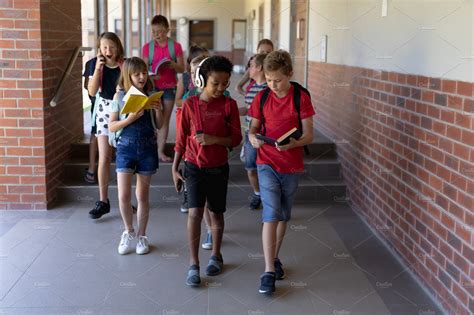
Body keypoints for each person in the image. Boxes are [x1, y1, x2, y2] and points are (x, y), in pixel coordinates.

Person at [248, 50, 315, 295]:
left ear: (290, 74)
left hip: (291, 164)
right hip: (266, 162)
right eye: (268, 79)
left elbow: (309, 134)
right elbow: (253, 129)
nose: (272, 85)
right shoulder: (263, 98)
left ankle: (274, 257)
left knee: (283, 215)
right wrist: (253, 138)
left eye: (277, 80)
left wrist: (293, 144)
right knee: (271, 213)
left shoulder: (301, 97)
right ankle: (268, 271)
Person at [172, 56, 242, 287]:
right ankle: (193, 263)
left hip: (218, 167)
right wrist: (174, 167)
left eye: (225, 83)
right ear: (202, 80)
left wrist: (213, 139)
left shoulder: (228, 105)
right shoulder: (189, 105)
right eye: (216, 83)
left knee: (216, 213)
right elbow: (181, 140)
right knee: (194, 213)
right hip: (193, 166)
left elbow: (235, 139)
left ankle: (216, 254)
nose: (221, 88)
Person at [109, 57, 163, 255]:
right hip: (125, 148)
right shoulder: (119, 97)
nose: (142, 76)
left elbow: (159, 125)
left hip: (147, 148)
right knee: (123, 195)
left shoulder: (150, 95)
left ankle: (142, 235)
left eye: (144, 72)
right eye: (137, 73)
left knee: (142, 196)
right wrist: (130, 119)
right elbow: (112, 126)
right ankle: (128, 231)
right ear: (128, 76)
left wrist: (158, 110)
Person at [87, 32, 124, 219]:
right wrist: (98, 70)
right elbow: (92, 92)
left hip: (122, 110)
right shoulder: (94, 64)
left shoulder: (125, 64)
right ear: (99, 48)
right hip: (103, 111)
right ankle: (103, 201)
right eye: (104, 47)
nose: (108, 51)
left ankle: (124, 200)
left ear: (118, 47)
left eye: (111, 46)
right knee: (104, 156)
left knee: (123, 158)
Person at [142, 14, 185, 162]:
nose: (156, 35)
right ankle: (149, 149)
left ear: (167, 29)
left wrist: (173, 65)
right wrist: (151, 76)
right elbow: (143, 69)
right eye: (153, 31)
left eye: (159, 31)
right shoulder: (147, 48)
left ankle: (160, 151)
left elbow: (182, 68)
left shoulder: (176, 46)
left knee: (164, 121)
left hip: (169, 88)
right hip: (152, 87)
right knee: (152, 118)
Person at [239, 53, 268, 210]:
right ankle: (257, 193)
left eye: (251, 65)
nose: (248, 69)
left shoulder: (269, 89)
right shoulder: (250, 89)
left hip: (266, 135)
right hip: (249, 134)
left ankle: (269, 196)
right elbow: (249, 109)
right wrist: (232, 111)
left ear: (259, 68)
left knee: (266, 168)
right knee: (251, 168)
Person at [82, 57, 98, 184]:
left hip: (117, 103)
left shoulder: (122, 62)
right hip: (98, 103)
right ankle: (92, 167)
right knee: (95, 133)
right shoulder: (92, 63)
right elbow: (86, 86)